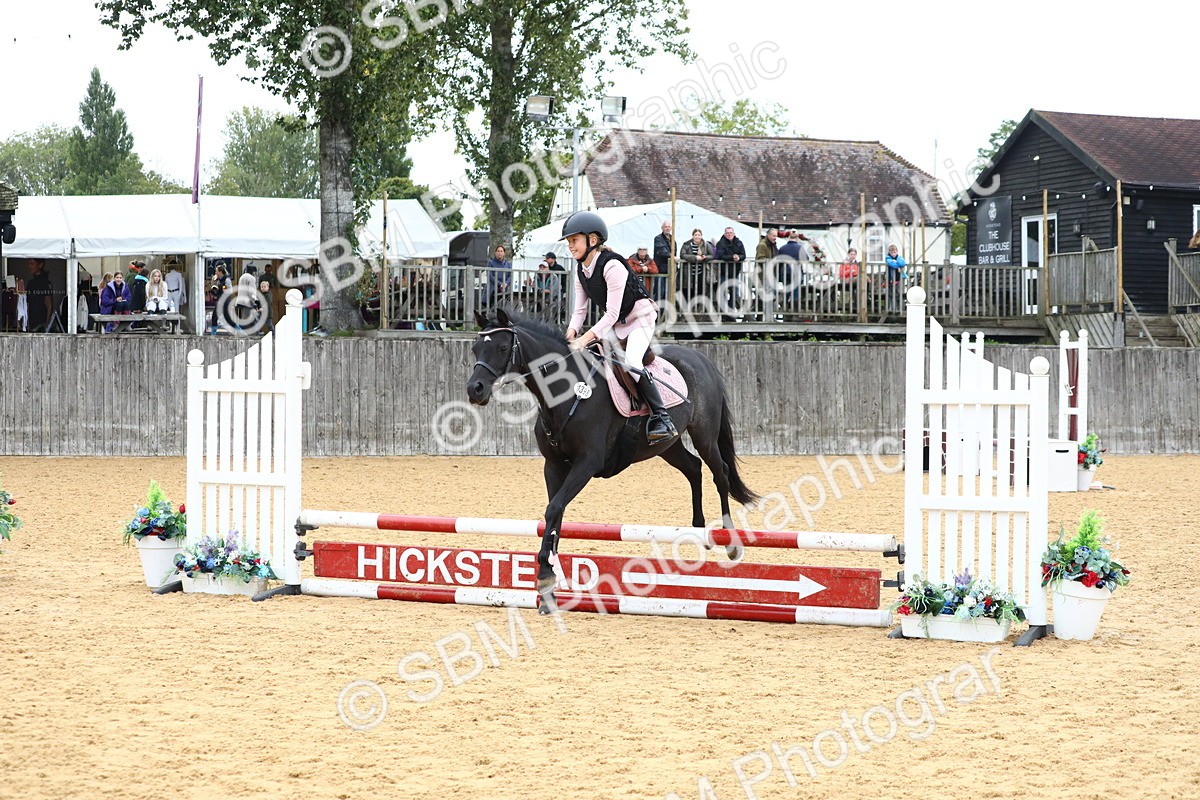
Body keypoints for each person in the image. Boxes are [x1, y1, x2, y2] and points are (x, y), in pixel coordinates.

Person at [562, 210, 677, 445]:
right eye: (569, 242)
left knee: (632, 362)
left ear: (592, 240)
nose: (570, 246)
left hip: (640, 318)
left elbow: (612, 313)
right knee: (595, 357)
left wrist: (585, 338)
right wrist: (572, 332)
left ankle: (662, 418)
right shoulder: (580, 270)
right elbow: (580, 311)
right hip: (617, 324)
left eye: (574, 240)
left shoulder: (612, 266)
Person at [713, 226, 746, 312]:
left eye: (731, 233)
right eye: (727, 233)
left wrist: (739, 257)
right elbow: (720, 256)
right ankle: (722, 314)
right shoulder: (720, 243)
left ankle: (730, 313)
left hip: (735, 273)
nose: (729, 235)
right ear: (724, 234)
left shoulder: (739, 243)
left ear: (734, 233)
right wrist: (732, 257)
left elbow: (743, 255)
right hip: (723, 273)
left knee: (734, 294)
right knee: (722, 294)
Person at [677, 228, 714, 300]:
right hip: (688, 271)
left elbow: (712, 255)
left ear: (701, 236)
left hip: (701, 271)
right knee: (688, 289)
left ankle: (698, 306)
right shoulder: (686, 244)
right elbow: (683, 255)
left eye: (699, 235)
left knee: (701, 289)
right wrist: (695, 257)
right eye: (695, 235)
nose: (697, 236)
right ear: (692, 236)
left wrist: (705, 257)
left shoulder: (706, 245)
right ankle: (688, 307)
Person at [24, 258, 53, 331]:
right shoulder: (30, 283)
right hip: (31, 321)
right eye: (29, 264)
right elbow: (27, 303)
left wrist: (47, 324)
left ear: (40, 265)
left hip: (41, 323)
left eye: (32, 264)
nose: (29, 267)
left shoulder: (46, 283)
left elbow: (49, 306)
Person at [652, 222, 674, 301]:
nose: (667, 228)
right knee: (659, 292)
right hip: (660, 270)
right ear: (662, 228)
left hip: (669, 270)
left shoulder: (673, 239)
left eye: (669, 227)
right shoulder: (658, 238)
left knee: (667, 293)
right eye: (665, 227)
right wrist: (672, 256)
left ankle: (664, 311)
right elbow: (662, 251)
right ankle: (657, 311)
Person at [208, 264, 231, 334]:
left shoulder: (227, 279)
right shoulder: (219, 280)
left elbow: (229, 290)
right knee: (214, 316)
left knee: (228, 318)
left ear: (220, 272)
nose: (215, 273)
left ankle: (239, 331)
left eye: (216, 271)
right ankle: (213, 332)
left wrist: (223, 289)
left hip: (225, 300)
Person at [885, 244, 908, 312]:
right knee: (890, 294)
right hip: (890, 279)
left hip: (898, 279)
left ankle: (898, 308)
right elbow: (891, 264)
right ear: (889, 252)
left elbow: (902, 263)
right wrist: (897, 266)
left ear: (897, 251)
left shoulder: (899, 257)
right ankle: (890, 308)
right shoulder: (888, 258)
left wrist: (897, 263)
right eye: (892, 253)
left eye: (894, 252)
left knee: (898, 294)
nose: (893, 254)